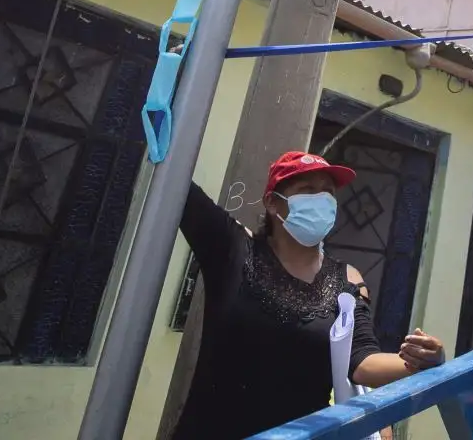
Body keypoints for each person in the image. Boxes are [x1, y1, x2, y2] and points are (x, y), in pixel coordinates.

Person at [173, 151, 445, 440]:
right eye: (307, 190)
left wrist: (425, 361)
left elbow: (362, 362)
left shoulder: (348, 280)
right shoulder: (234, 251)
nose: (321, 199)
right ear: (272, 202)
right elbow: (178, 184)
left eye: (327, 191)